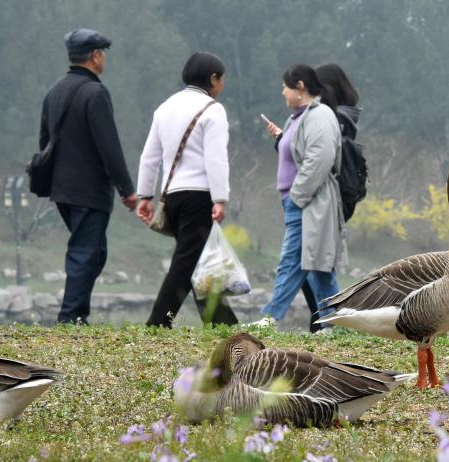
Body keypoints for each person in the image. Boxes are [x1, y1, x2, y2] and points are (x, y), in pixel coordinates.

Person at [39, 28, 137, 325]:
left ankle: (76, 312)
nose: (103, 57)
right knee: (85, 251)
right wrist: (126, 189)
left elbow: (44, 141)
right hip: (89, 190)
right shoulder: (95, 93)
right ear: (95, 56)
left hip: (62, 189)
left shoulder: (54, 91)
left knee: (94, 251)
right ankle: (71, 317)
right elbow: (109, 146)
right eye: (102, 53)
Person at [135, 52, 238, 328]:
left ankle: (222, 322)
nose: (222, 84)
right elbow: (215, 158)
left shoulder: (164, 108)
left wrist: (145, 196)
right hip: (199, 195)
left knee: (197, 259)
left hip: (173, 196)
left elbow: (150, 157)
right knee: (186, 263)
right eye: (222, 79)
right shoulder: (213, 109)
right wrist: (220, 198)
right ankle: (158, 321)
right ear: (213, 78)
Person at [251, 64, 346, 329]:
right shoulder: (297, 118)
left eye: (285, 87)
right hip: (299, 201)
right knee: (319, 268)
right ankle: (333, 324)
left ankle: (270, 317)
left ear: (300, 87)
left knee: (292, 261)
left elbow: (319, 159)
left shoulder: (320, 115)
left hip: (308, 202)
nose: (283, 92)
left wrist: (297, 196)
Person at [299, 63, 361, 332]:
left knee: (318, 265)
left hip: (327, 198)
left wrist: (299, 193)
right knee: (311, 264)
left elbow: (321, 160)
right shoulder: (345, 117)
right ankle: (323, 323)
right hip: (338, 197)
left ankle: (333, 325)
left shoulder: (333, 119)